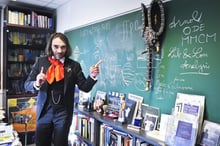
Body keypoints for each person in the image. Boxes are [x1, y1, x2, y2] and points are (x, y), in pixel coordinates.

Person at [24, 32, 102, 146]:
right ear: (50, 46)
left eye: (63, 47)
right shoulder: (41, 62)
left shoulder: (74, 66)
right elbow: (26, 85)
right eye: (56, 46)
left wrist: (92, 76)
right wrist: (36, 83)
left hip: (63, 113)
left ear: (67, 47)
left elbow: (85, 87)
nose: (59, 50)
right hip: (44, 111)